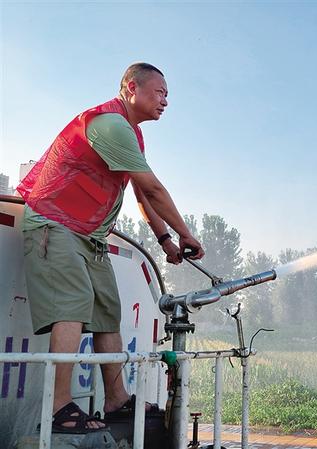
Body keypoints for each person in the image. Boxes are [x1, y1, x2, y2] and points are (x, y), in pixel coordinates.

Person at [17, 62, 204, 433]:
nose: (165, 101)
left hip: (90, 235)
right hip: (54, 225)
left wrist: (165, 239)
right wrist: (186, 234)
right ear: (132, 87)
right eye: (160, 92)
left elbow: (142, 196)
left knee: (106, 312)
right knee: (71, 306)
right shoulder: (110, 124)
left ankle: (117, 400)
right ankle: (58, 409)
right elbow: (153, 189)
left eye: (167, 95)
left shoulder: (132, 134)